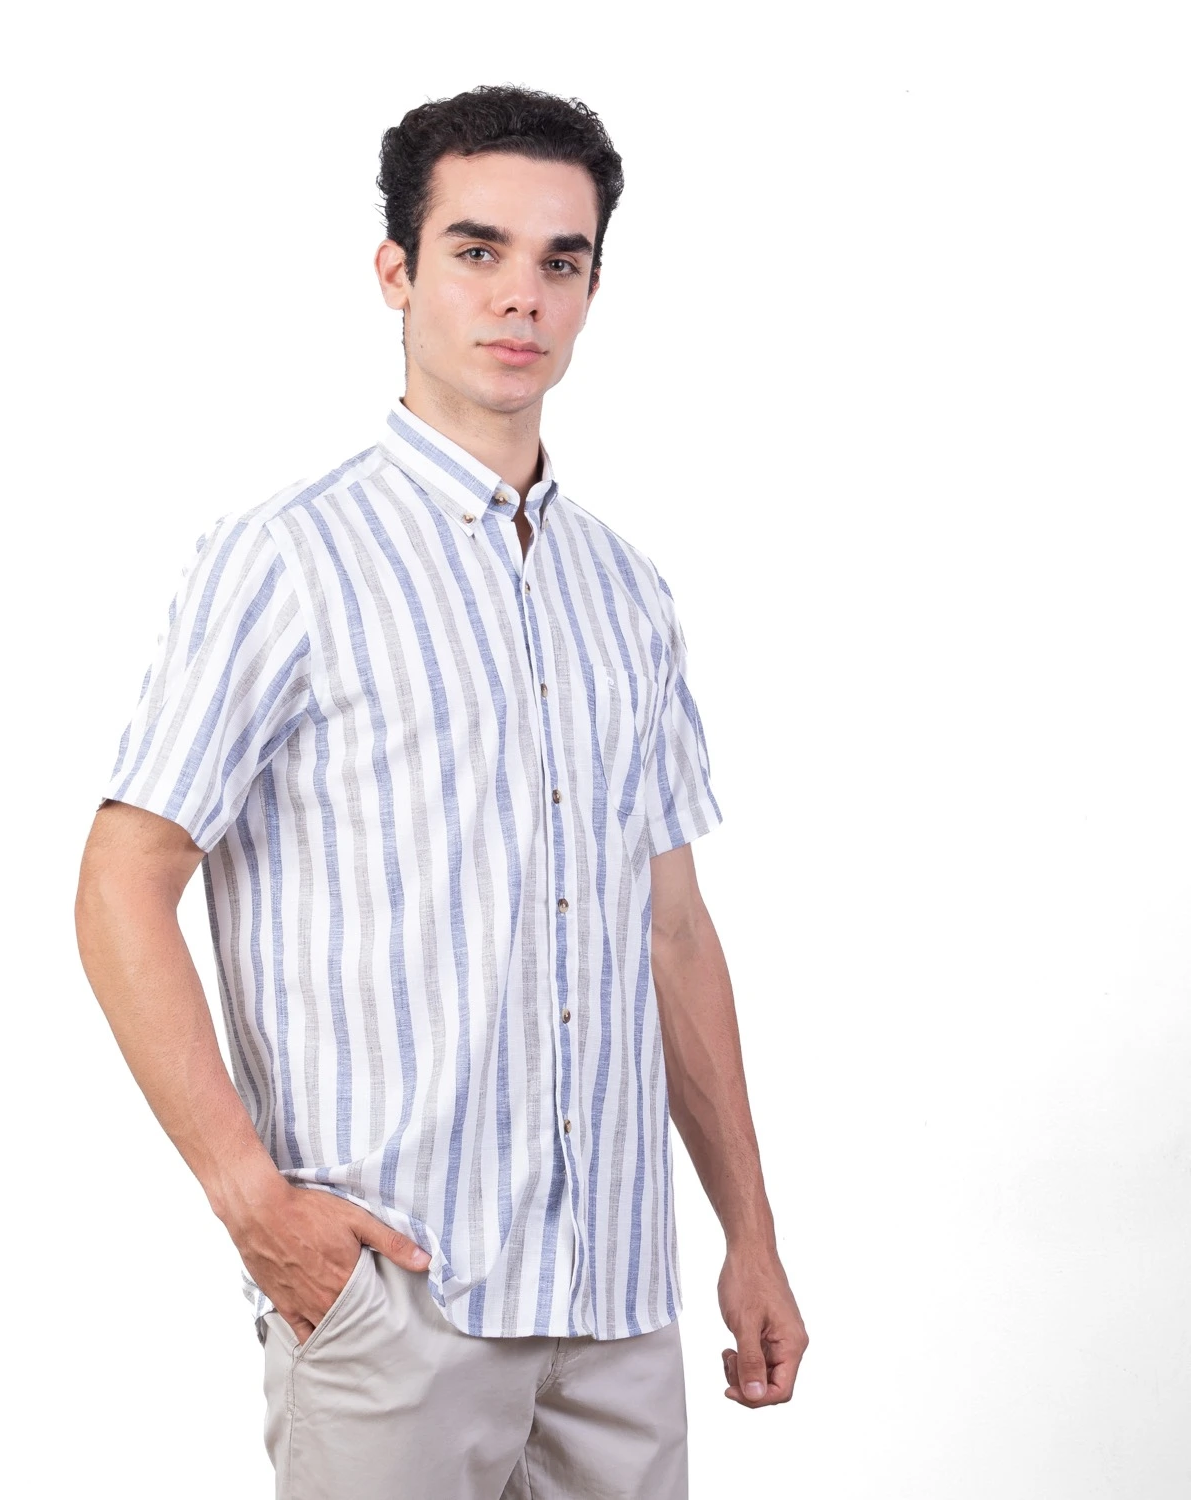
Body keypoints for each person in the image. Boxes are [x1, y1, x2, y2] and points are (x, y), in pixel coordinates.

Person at [75, 82, 808, 1499]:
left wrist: (752, 1236)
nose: (521, 295)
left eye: (561, 260)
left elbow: (670, 932)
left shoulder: (627, 592)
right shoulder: (289, 559)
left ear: (592, 289)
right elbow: (122, 881)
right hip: (396, 1290)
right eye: (477, 250)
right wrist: (252, 1204)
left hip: (615, 1298)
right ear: (397, 271)